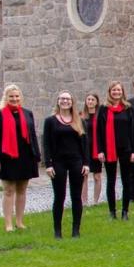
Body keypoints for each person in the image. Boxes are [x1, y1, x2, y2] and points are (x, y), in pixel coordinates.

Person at [0, 84, 41, 232]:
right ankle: (8, 224)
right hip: (7, 156)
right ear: (6, 97)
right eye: (11, 96)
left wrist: (37, 155)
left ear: (21, 97)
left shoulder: (27, 113)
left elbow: (32, 135)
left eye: (17, 96)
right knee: (8, 190)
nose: (14, 99)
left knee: (22, 189)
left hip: (25, 156)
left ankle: (19, 222)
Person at [43, 91, 88, 239]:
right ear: (58, 101)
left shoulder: (79, 121)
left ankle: (76, 230)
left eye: (68, 99)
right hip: (58, 163)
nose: (65, 101)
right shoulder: (50, 121)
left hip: (76, 161)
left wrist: (86, 163)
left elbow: (85, 144)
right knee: (59, 196)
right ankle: (57, 231)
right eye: (62, 99)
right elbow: (47, 144)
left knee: (76, 196)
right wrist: (48, 164)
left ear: (72, 102)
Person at [97, 81, 134, 220]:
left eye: (119, 90)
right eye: (114, 90)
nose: (116, 92)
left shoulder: (128, 108)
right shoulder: (103, 109)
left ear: (123, 92)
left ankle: (125, 211)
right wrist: (100, 150)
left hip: (126, 148)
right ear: (110, 92)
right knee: (111, 181)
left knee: (126, 180)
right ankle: (112, 212)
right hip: (109, 150)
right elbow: (99, 132)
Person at [80, 92, 103, 206]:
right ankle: (84, 202)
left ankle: (95, 201)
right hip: (85, 150)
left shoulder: (100, 116)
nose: (90, 102)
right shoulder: (81, 116)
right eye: (88, 99)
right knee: (84, 176)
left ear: (97, 102)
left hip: (97, 149)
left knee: (97, 176)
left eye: (92, 99)